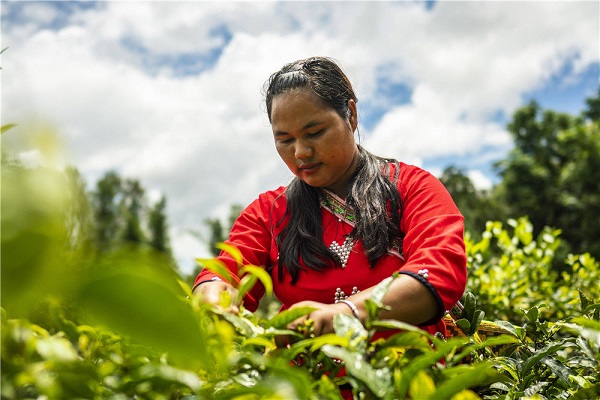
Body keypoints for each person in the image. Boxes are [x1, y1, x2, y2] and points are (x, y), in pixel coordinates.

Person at [193, 56, 467, 341]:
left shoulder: (413, 188)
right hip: (304, 381)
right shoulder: (269, 213)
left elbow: (439, 271)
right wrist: (212, 294)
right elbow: (225, 272)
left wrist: (344, 315)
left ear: (351, 115)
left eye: (314, 133)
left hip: (407, 377)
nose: (301, 152)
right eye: (285, 140)